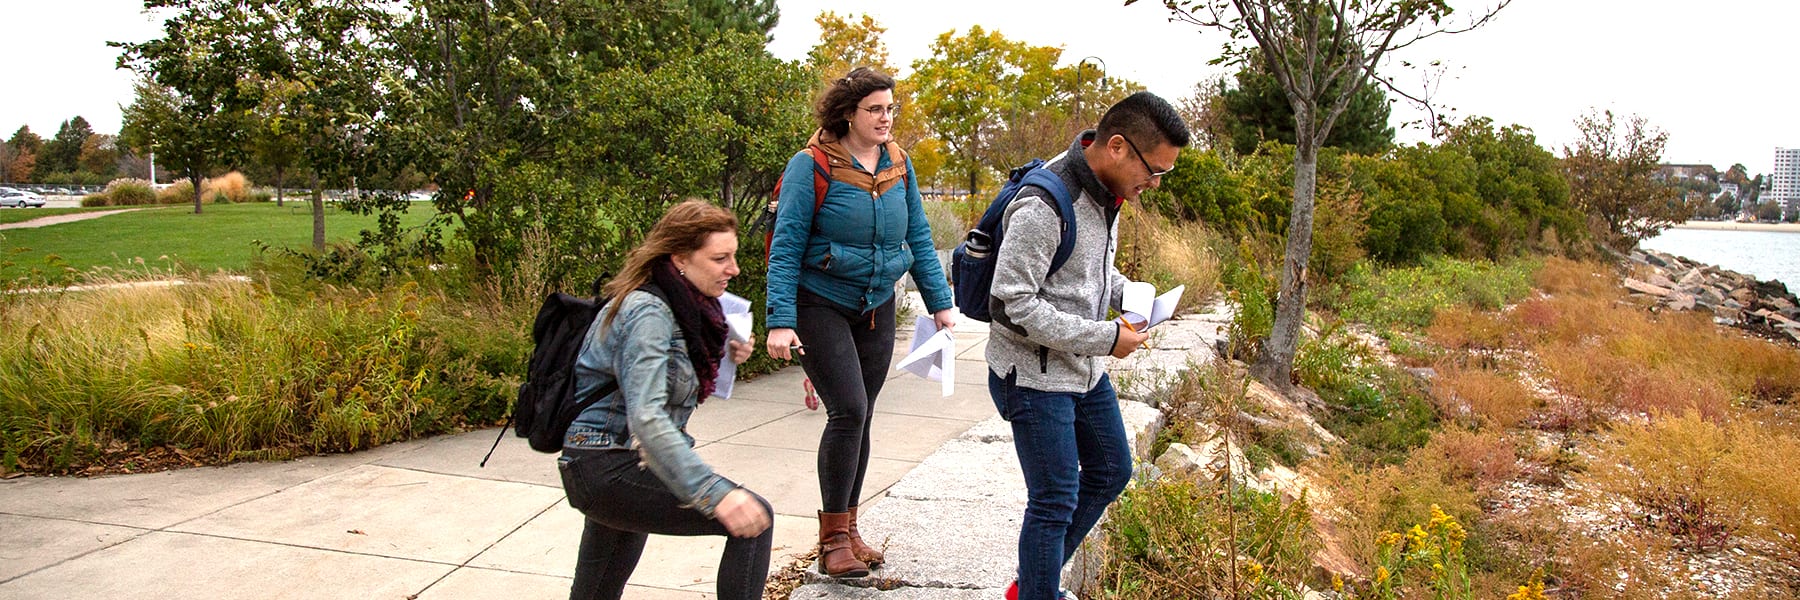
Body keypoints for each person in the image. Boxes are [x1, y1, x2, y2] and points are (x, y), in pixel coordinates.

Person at [985, 91, 1191, 600]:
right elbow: (1010, 304)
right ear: (1118, 146)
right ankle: (1036, 592)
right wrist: (1106, 337)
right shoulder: (1044, 202)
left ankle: (1034, 583)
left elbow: (1082, 268)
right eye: (1155, 170)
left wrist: (1132, 296)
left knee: (1110, 470)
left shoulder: (1106, 191)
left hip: (1079, 369)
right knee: (1054, 497)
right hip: (1031, 376)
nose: (1156, 183)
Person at [764, 66, 957, 578]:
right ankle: (832, 543)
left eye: (890, 108)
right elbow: (786, 247)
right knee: (847, 409)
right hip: (819, 303)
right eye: (875, 109)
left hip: (876, 305)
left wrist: (940, 302)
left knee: (864, 413)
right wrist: (780, 320)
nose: (885, 118)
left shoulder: (898, 163)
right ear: (848, 113)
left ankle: (849, 529)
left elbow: (917, 233)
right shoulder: (812, 165)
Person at [559, 200, 770, 600]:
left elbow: (666, 381)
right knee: (753, 520)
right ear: (679, 259)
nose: (734, 269)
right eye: (720, 258)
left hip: (609, 461)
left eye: (734, 256)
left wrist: (724, 351)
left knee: (597, 590)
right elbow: (647, 416)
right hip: (609, 462)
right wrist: (715, 492)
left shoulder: (684, 306)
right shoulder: (648, 313)